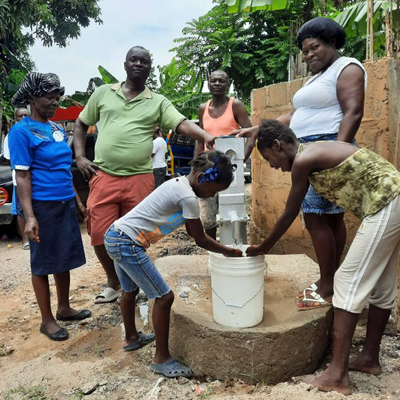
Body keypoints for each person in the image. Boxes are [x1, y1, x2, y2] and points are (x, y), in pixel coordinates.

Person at [248, 119, 400, 395]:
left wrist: (262, 247)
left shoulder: (304, 160)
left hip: (386, 202)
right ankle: (369, 359)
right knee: (382, 285)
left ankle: (336, 375)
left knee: (345, 281)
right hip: (393, 199)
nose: (273, 166)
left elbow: (289, 212)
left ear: (277, 146)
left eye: (270, 159)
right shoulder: (312, 154)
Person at [235, 18, 366, 309]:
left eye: (314, 48)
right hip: (310, 149)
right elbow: (293, 117)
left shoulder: (348, 67)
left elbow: (353, 112)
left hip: (328, 148)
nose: (309, 55)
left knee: (316, 217)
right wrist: (259, 128)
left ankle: (327, 284)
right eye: (305, 51)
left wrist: (338, 153)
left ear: (332, 43)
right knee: (328, 217)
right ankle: (332, 278)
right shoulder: (313, 80)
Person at [74, 46, 216, 304]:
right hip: (104, 174)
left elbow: (181, 123)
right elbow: (82, 123)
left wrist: (205, 135)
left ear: (150, 67)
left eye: (144, 61)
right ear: (125, 64)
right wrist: (80, 156)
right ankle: (114, 282)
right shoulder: (103, 93)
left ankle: (134, 284)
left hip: (140, 177)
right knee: (99, 234)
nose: (139, 64)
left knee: (136, 236)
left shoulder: (158, 101)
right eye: (134, 59)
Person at [104, 150, 242, 378]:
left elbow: (191, 231)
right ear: (202, 178)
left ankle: (131, 338)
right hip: (126, 242)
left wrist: (218, 246)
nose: (211, 196)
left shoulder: (180, 185)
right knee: (164, 297)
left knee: (130, 290)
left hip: (116, 234)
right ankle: (162, 358)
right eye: (214, 190)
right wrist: (228, 251)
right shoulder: (188, 197)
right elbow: (199, 238)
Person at [9, 72, 91, 341]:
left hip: (64, 201)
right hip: (41, 206)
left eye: (57, 98)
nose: (55, 103)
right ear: (33, 98)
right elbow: (22, 175)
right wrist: (29, 216)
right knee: (43, 262)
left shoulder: (56, 129)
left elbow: (63, 168)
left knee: (63, 257)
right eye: (49, 98)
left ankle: (64, 307)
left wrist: (77, 200)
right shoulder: (20, 132)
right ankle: (47, 320)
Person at [194, 70, 252, 240]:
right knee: (207, 216)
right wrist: (195, 167)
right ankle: (213, 250)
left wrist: (240, 161)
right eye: (214, 81)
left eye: (221, 81)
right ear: (209, 84)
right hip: (207, 170)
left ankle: (234, 246)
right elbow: (199, 139)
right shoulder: (203, 108)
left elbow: (251, 135)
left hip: (229, 170)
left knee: (232, 212)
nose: (217, 84)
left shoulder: (236, 105)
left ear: (228, 84)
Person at [3, 107, 30, 249]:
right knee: (20, 209)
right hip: (19, 178)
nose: (24, 118)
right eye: (21, 116)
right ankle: (25, 240)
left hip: (35, 178)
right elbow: (8, 160)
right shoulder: (11, 135)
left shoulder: (34, 131)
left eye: (26, 115)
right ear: (15, 118)